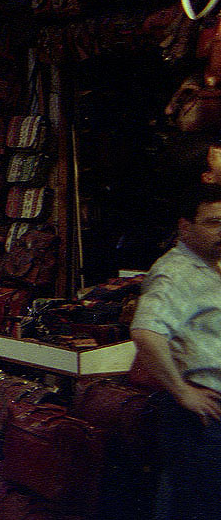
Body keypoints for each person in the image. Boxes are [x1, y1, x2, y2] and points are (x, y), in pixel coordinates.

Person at [130, 185, 221, 520]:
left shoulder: (209, 266)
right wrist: (182, 392)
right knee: (199, 505)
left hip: (207, 415)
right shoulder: (177, 272)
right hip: (202, 416)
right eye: (213, 223)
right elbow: (145, 331)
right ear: (186, 227)